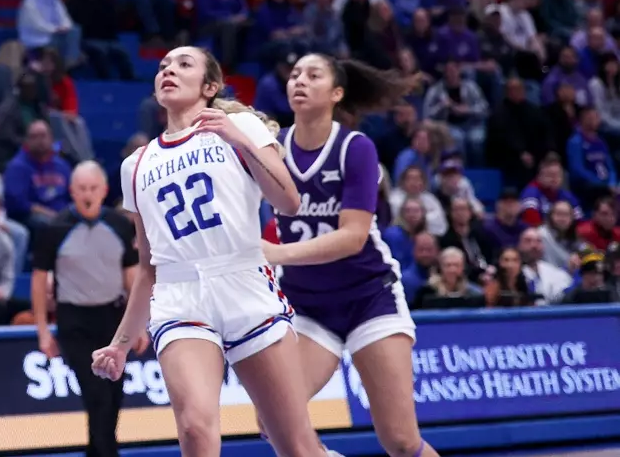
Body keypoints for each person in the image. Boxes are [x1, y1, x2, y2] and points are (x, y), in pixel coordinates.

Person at [94, 47, 341, 457]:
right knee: (193, 427)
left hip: (243, 282)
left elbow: (289, 201)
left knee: (296, 445)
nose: (169, 70)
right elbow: (147, 267)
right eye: (162, 67)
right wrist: (121, 342)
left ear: (210, 87)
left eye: (183, 64)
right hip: (180, 295)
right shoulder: (135, 165)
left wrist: (238, 138)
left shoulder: (239, 125)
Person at [264, 53, 442, 457]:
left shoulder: (355, 148)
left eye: (313, 75)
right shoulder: (272, 148)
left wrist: (277, 252)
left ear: (336, 93)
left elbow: (352, 237)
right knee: (273, 422)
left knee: (400, 440)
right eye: (293, 75)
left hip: (368, 298)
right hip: (308, 307)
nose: (299, 81)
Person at [30, 161, 139, 457]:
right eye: (81, 189)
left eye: (93, 188)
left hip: (113, 320)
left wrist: (137, 324)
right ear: (71, 191)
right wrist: (42, 331)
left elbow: (133, 277)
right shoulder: (54, 229)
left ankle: (97, 452)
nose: (87, 195)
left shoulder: (119, 224)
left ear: (104, 191)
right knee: (97, 395)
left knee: (113, 397)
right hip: (75, 322)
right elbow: (39, 283)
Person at [3, 119, 72, 232]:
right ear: (27, 141)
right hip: (33, 217)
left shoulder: (62, 165)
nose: (40, 141)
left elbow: (72, 195)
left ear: (51, 138)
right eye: (34, 137)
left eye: (43, 136)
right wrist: (51, 215)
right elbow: (19, 204)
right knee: (47, 224)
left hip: (62, 214)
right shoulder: (17, 167)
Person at [411, 248, 486, 310]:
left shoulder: (474, 294)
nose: (452, 270)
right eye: (448, 265)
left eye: (456, 265)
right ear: (440, 267)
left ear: (463, 267)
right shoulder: (426, 291)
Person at [517, 226, 573, 303]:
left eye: (538, 241)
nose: (534, 245)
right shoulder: (510, 272)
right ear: (519, 245)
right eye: (528, 241)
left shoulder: (555, 273)